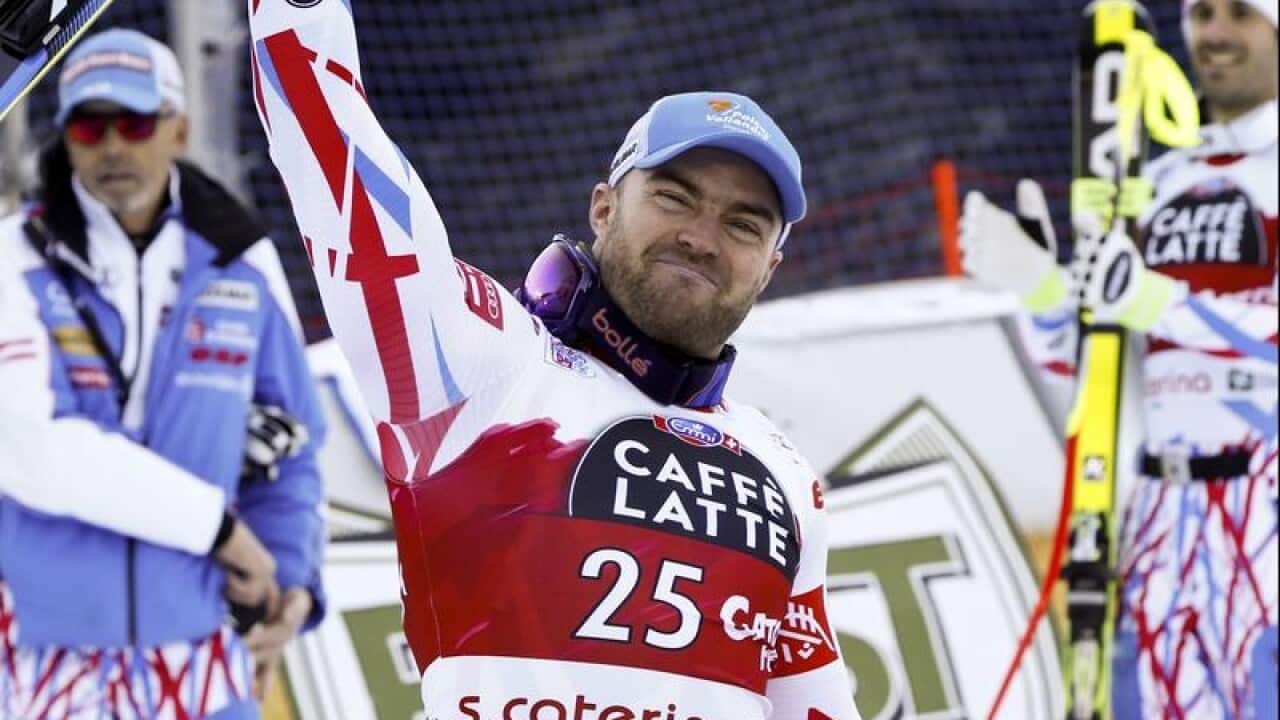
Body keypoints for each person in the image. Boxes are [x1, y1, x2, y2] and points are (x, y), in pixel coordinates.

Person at [246, 2, 858, 718]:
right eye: (673, 196)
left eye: (742, 224)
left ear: (771, 268)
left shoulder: (783, 472)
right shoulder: (487, 366)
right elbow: (330, 139)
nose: (700, 236)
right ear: (604, 208)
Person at [961, 0, 1277, 716]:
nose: (1215, 34)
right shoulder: (1158, 183)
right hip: (1162, 511)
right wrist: (1042, 295)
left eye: (1240, 15)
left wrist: (1155, 301)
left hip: (1266, 499)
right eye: (1200, 14)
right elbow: (1101, 375)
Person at [0, 28, 328, 719]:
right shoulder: (13, 262)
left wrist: (291, 583)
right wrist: (217, 528)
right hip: (52, 663)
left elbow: (293, 442)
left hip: (204, 659)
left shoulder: (242, 262)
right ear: (65, 138)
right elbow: (29, 447)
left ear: (177, 131)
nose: (114, 145)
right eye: (91, 125)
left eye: (136, 121)